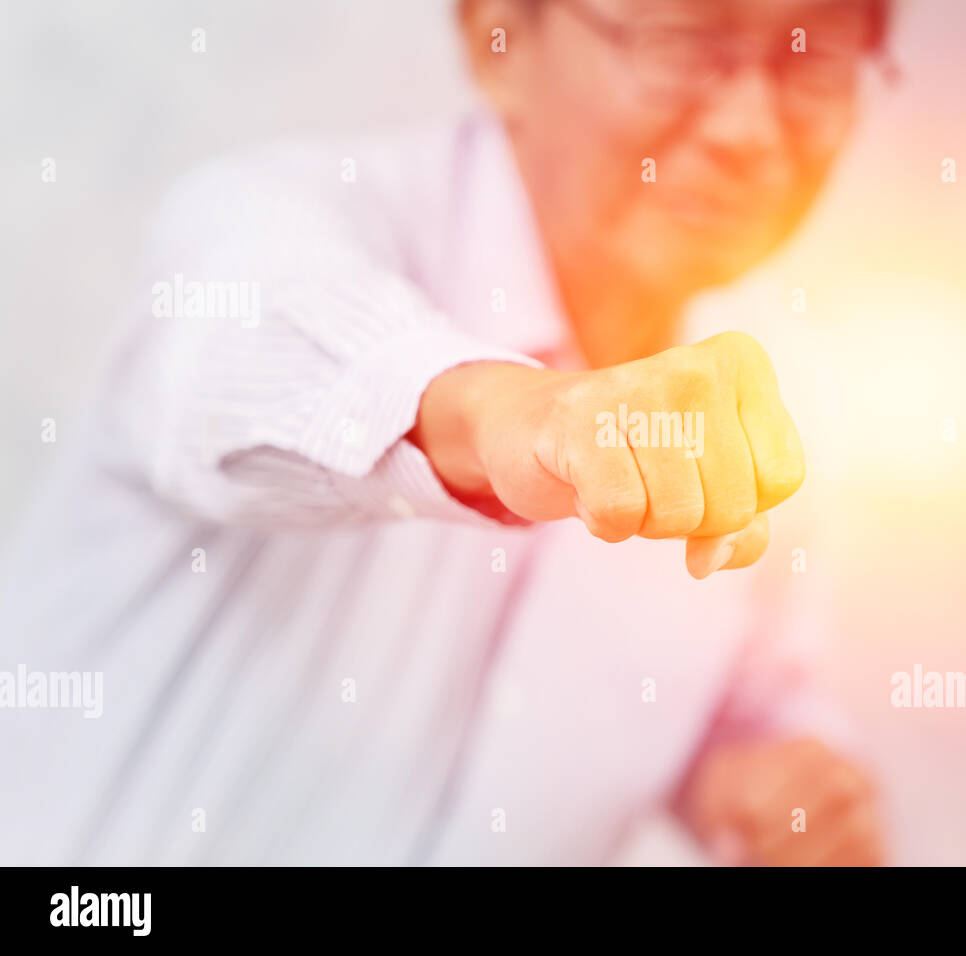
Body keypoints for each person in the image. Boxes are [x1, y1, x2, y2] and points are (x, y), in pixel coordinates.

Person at [0, 0, 892, 865]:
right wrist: (520, 417)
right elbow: (256, 343)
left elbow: (748, 697)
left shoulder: (769, 407)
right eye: (682, 37)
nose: (751, 130)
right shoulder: (273, 221)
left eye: (812, 59)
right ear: (498, 38)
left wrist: (755, 784)